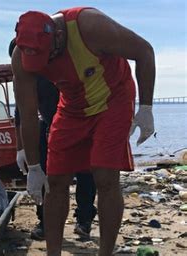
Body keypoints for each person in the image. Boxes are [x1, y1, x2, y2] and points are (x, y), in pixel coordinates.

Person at [12, 7, 155, 255]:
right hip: (72, 106)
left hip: (114, 100)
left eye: (48, 56)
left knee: (104, 177)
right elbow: (27, 113)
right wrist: (33, 166)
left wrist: (145, 108)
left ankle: (105, 252)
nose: (45, 65)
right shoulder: (21, 55)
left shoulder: (90, 26)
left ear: (57, 35)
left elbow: (145, 51)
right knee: (55, 180)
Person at [10, 39, 97, 240]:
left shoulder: (57, 67)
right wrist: (21, 149)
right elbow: (22, 115)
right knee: (44, 175)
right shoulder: (22, 78)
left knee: (86, 173)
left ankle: (84, 220)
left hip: (79, 122)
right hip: (47, 125)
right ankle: (45, 221)